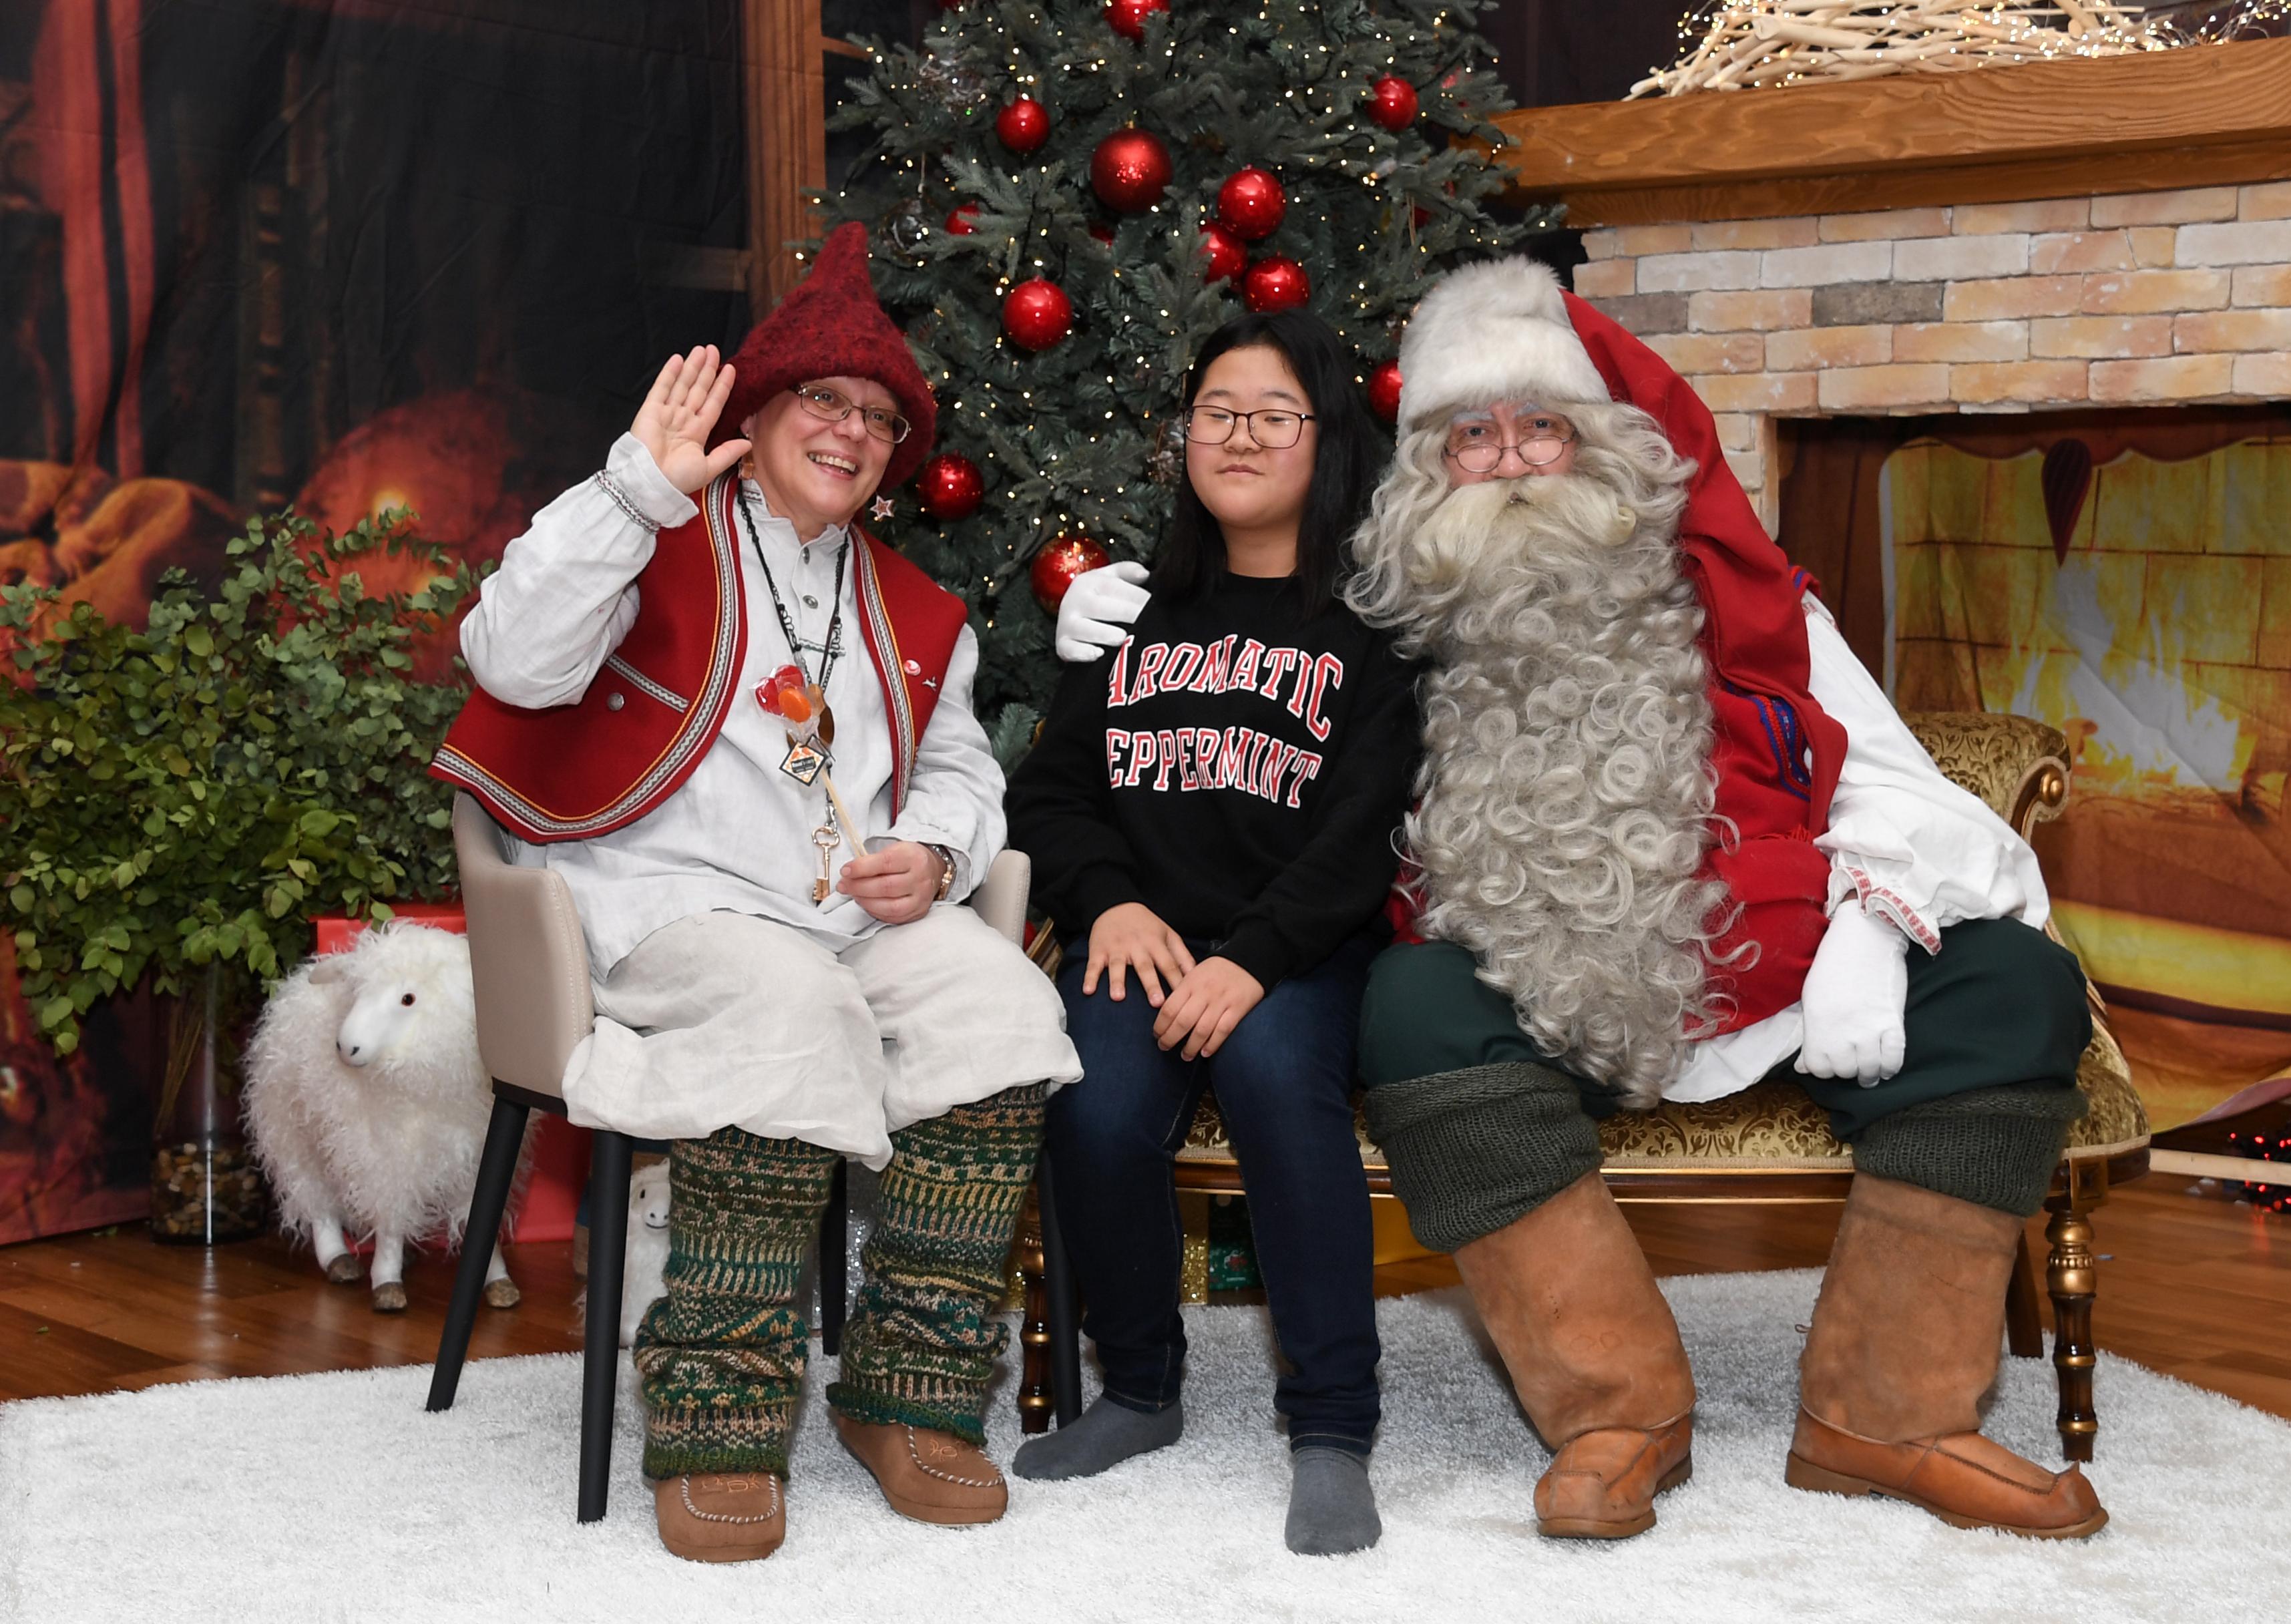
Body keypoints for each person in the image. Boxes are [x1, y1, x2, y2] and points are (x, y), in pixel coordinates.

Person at [1055, 256, 2105, 1544]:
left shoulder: (1750, 606)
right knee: (1416, 1004)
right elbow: (1253, 657)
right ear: (1427, 470)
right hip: (1535, 993)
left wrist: (1873, 936)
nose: (1507, 461)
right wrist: (1134, 611)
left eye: (1540, 425)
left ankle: (1888, 1417)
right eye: (1470, 435)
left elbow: (1913, 794)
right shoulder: (1401, 612)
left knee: (2015, 984)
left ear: (1607, 447)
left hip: (1774, 971)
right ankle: (1615, 1414)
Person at [437, 224, 1080, 1563]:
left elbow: (960, 768)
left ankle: (910, 1396)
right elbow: (511, 656)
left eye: (878, 417)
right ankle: (718, 1410)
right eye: (823, 401)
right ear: (762, 409)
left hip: (852, 917)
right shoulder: (649, 529)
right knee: (783, 1004)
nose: (850, 431)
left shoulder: (912, 606)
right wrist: (633, 492)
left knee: (1002, 1008)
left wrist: (946, 857)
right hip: (660, 908)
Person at [1004, 311, 1420, 1556]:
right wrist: (1107, 901)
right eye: (1216, 412)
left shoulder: (1375, 630)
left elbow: (1365, 830)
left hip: (1295, 949)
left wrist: (1256, 958)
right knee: (1091, 1099)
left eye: (1273, 414)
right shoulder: (1130, 614)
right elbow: (1053, 792)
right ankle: (1139, 1388)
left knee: (1276, 1079)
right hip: (1140, 941)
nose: (1238, 436)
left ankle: (1333, 1428)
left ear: (1326, 438)